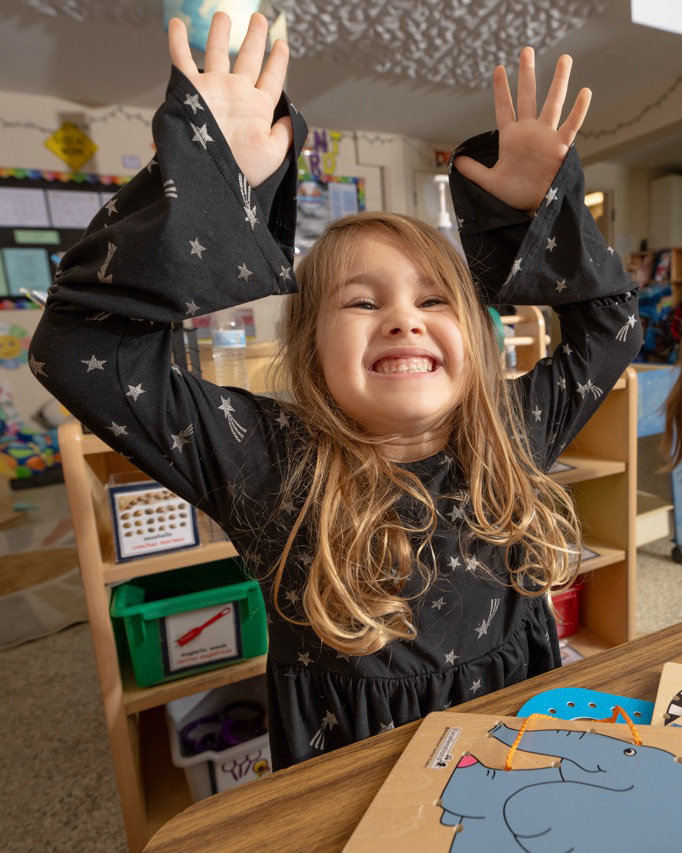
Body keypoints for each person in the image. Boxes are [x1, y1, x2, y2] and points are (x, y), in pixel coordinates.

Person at [29, 12, 642, 769]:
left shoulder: (512, 425)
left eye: (433, 301)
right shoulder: (267, 457)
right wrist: (211, 184)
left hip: (518, 741)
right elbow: (76, 348)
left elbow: (611, 328)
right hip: (353, 767)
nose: (401, 322)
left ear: (475, 337)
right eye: (361, 302)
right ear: (310, 350)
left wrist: (530, 217)